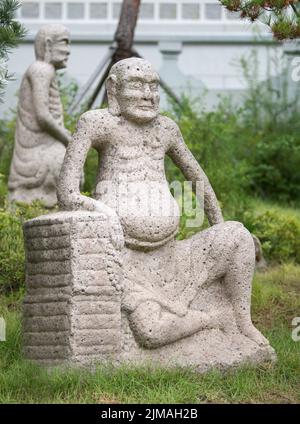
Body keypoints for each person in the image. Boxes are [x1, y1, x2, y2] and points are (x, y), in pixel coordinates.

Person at [58, 58, 269, 349]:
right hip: (127, 261)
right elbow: (67, 193)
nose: (147, 94)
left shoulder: (166, 129)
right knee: (151, 332)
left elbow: (197, 179)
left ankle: (242, 322)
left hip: (173, 255)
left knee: (238, 237)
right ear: (113, 89)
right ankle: (212, 320)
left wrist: (218, 226)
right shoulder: (97, 124)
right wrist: (103, 212)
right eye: (136, 86)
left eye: (153, 86)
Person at [8, 24, 71, 207]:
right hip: (36, 151)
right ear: (49, 44)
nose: (68, 51)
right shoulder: (41, 69)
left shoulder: (43, 70)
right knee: (65, 164)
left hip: (44, 146)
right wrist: (68, 139)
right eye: (65, 43)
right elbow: (43, 116)